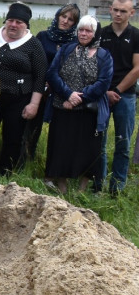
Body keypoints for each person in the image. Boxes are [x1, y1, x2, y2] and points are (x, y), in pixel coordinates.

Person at [0, 3, 46, 178]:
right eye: (11, 20)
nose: (14, 25)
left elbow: (40, 77)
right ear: (6, 21)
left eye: (19, 22)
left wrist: (34, 104)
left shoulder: (33, 45)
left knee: (13, 138)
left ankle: (4, 174)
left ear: (26, 25)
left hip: (19, 99)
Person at [45, 16, 112, 193]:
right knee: (62, 145)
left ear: (95, 33)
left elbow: (104, 82)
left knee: (87, 149)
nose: (83, 33)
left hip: (88, 111)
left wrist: (80, 98)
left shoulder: (104, 56)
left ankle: (82, 190)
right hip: (63, 106)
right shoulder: (66, 49)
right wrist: (68, 94)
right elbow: (52, 73)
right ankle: (62, 185)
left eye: (88, 31)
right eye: (81, 30)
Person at [95, 0, 139, 194]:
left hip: (125, 96)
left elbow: (137, 69)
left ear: (132, 13)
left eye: (123, 11)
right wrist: (104, 91)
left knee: (123, 142)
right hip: (102, 94)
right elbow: (93, 65)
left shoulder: (136, 36)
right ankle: (98, 185)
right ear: (110, 10)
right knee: (99, 142)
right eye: (116, 10)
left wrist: (118, 91)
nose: (118, 14)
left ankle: (117, 188)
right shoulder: (101, 34)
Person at [26, 3, 80, 159]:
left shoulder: (75, 42)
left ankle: (53, 164)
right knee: (32, 126)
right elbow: (33, 60)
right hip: (39, 88)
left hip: (61, 91)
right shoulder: (43, 36)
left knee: (59, 130)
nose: (65, 21)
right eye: (63, 16)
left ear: (74, 23)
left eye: (70, 19)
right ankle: (27, 158)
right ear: (58, 16)